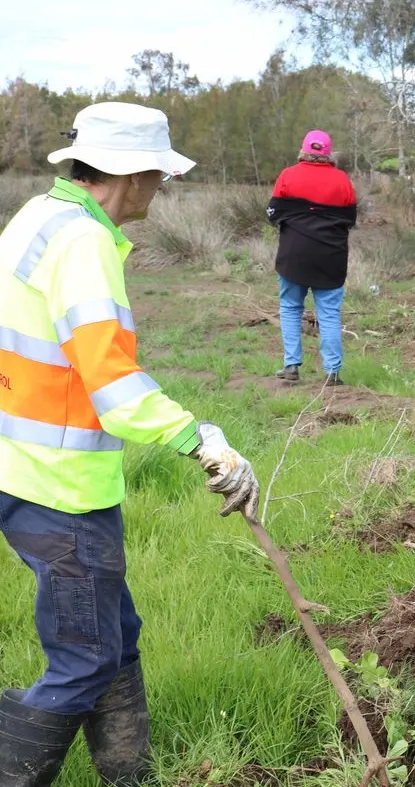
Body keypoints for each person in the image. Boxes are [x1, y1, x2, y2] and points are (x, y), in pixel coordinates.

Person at [0, 102, 260, 785]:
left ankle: (127, 774)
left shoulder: (37, 216)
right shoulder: (83, 243)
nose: (162, 187)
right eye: (160, 174)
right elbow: (111, 384)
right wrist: (199, 437)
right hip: (60, 485)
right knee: (84, 657)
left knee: (114, 639)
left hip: (23, 470)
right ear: (134, 175)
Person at [267, 129, 358, 386]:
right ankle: (332, 372)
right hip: (331, 257)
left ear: (304, 149)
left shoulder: (288, 175)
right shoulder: (341, 180)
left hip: (294, 254)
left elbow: (273, 213)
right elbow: (350, 219)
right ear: (329, 153)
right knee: (329, 313)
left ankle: (291, 366)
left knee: (290, 308)